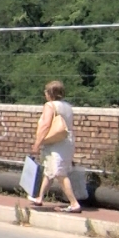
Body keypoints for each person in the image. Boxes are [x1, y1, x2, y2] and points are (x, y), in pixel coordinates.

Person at [29, 80, 83, 213]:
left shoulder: (50, 105)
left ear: (50, 93)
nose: (45, 93)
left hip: (55, 144)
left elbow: (46, 125)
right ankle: (40, 198)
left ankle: (74, 203)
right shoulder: (68, 106)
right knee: (49, 171)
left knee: (59, 173)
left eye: (46, 91)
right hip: (67, 142)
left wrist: (37, 143)